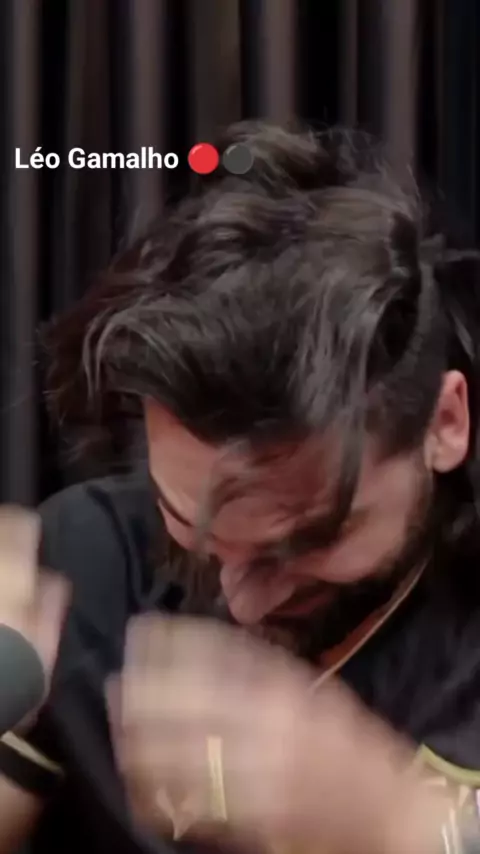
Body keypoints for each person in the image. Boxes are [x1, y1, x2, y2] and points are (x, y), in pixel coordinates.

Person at [1, 121, 480, 854]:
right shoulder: (92, 563)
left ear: (443, 425)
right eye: (191, 524)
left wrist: (398, 826)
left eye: (303, 542)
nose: (241, 599)